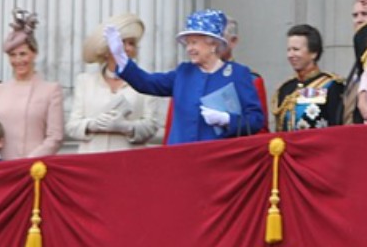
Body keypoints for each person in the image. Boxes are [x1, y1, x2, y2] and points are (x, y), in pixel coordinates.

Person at [106, 9, 266, 145]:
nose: (189, 48)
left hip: (218, 163)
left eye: (194, 42)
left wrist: (227, 119)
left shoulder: (238, 74)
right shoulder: (184, 72)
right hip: (181, 159)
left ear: (213, 45)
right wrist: (121, 57)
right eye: (187, 43)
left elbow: (256, 120)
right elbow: (146, 82)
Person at [68, 14, 165, 154]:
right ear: (107, 50)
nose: (126, 48)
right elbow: (72, 126)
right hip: (92, 162)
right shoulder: (85, 81)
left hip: (129, 164)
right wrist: (92, 125)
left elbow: (152, 125)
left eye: (131, 43)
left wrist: (127, 127)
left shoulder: (145, 82)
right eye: (121, 42)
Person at [0, 11, 65, 159]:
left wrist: (29, 162)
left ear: (34, 53)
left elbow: (55, 137)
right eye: (12, 55)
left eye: (23, 54)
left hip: (35, 169)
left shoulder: (50, 90)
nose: (18, 60)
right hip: (2, 167)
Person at [275, 25, 344, 131]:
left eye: (296, 49)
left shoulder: (331, 85)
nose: (290, 55)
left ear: (314, 53)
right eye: (289, 50)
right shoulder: (285, 88)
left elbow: (337, 127)